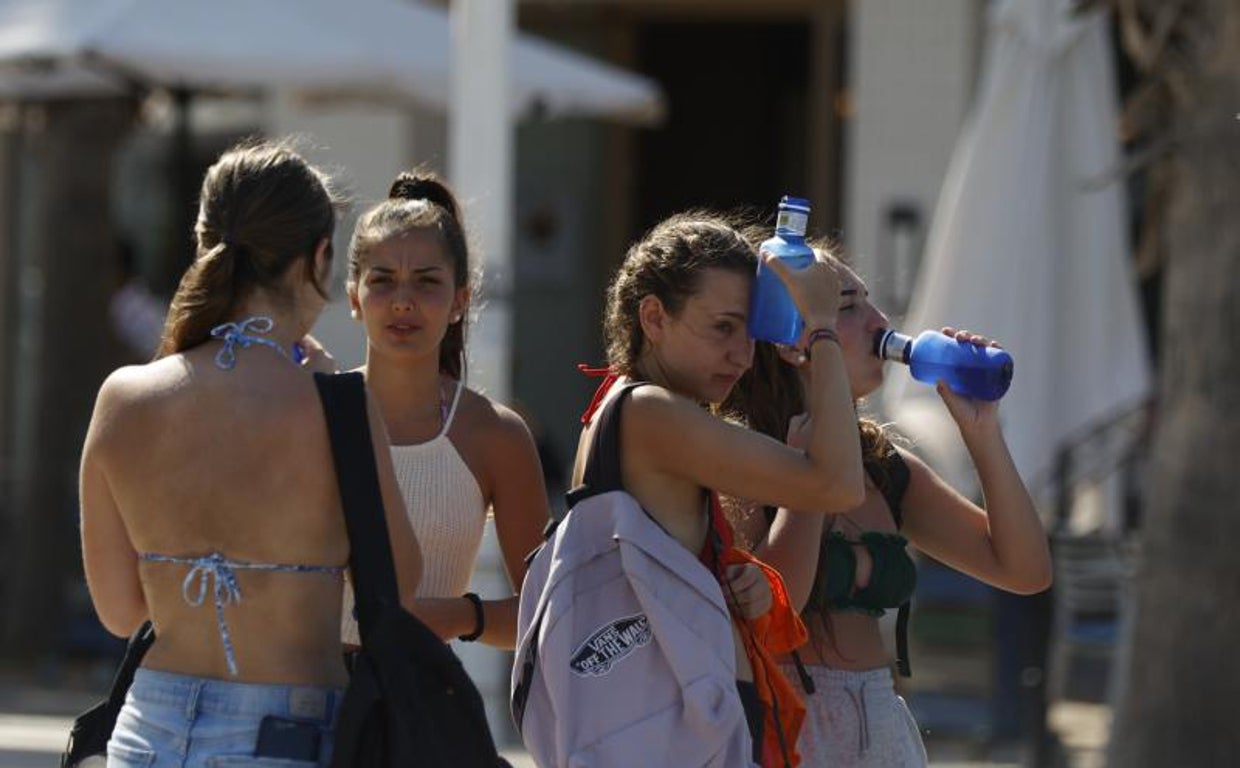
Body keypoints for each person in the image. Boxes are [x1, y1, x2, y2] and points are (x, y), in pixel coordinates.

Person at [79, 140, 422, 768]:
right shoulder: (336, 406)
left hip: (146, 732)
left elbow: (120, 611)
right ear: (319, 257)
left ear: (203, 243)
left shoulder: (123, 398)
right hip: (285, 735)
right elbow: (399, 583)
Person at [726, 245, 1053, 767]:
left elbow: (1025, 571)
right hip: (787, 729)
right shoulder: (743, 456)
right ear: (794, 343)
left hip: (883, 725)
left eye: (870, 303)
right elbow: (772, 609)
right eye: (848, 305)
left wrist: (983, 433)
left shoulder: (884, 467)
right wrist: (811, 479)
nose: (881, 322)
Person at [571, 212, 866, 766]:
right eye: (722, 327)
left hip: (664, 717)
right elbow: (838, 484)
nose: (743, 355)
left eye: (750, 332)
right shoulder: (651, 413)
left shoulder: (620, 407)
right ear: (654, 317)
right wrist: (823, 329)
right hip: (675, 724)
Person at [341, 170, 548, 649]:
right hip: (296, 708)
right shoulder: (311, 412)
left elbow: (545, 611)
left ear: (460, 301)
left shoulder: (496, 435)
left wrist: (456, 616)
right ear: (355, 297)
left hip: (417, 709)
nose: (403, 302)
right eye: (383, 281)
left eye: (426, 281)